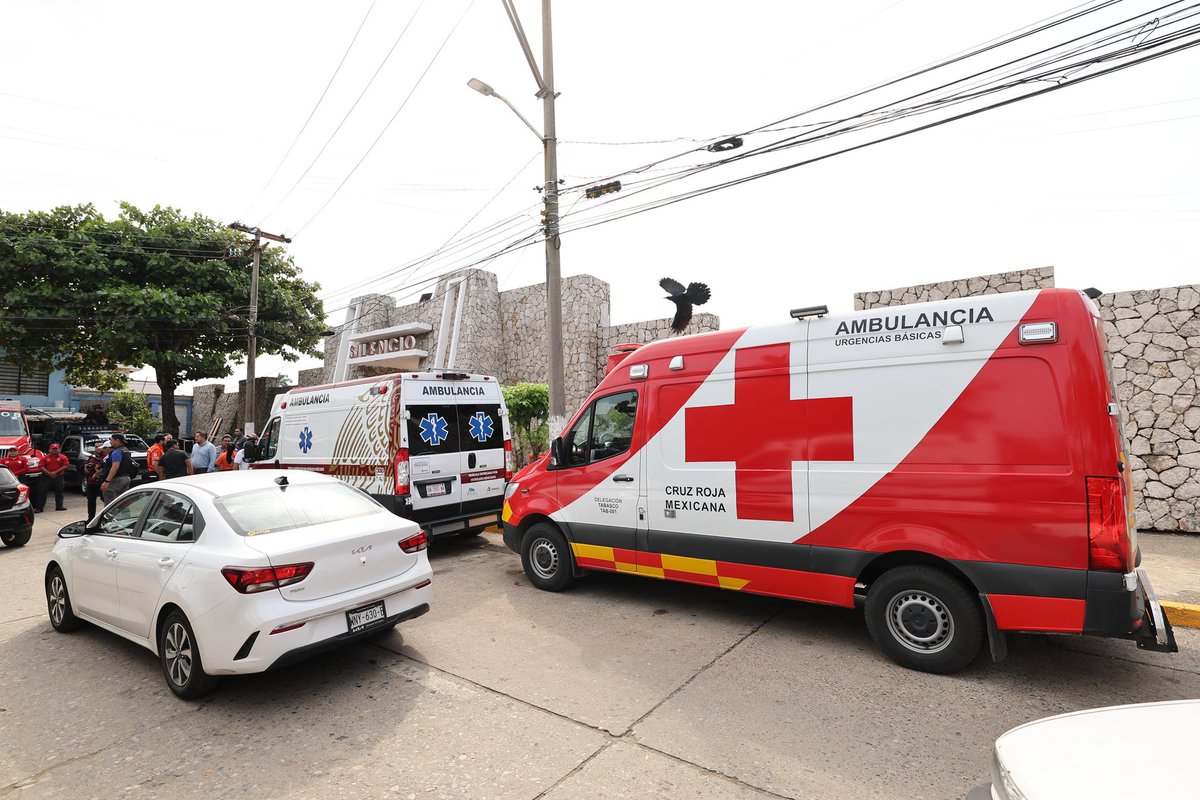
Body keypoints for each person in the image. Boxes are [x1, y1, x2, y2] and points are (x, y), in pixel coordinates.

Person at [100, 433, 137, 503]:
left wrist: (107, 481)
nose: (110, 442)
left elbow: (115, 466)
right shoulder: (126, 450)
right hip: (126, 478)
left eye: (111, 440)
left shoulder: (117, 452)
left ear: (117, 440)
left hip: (117, 479)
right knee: (123, 503)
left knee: (110, 502)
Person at [38, 443, 70, 512]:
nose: (55, 450)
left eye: (56, 449)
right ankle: (39, 508)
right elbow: (41, 466)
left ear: (59, 450)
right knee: (42, 492)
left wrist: (55, 472)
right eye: (53, 449)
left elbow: (66, 465)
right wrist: (49, 473)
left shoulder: (63, 457)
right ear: (49, 450)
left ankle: (59, 506)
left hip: (58, 476)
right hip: (46, 477)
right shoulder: (45, 458)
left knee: (59, 491)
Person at [84, 442, 108, 519]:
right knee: (91, 501)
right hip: (91, 482)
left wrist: (97, 473)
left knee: (106, 500)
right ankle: (91, 518)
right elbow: (87, 466)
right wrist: (86, 468)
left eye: (100, 447)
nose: (98, 448)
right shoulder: (92, 457)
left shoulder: (106, 457)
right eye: (96, 447)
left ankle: (108, 517)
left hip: (102, 482)